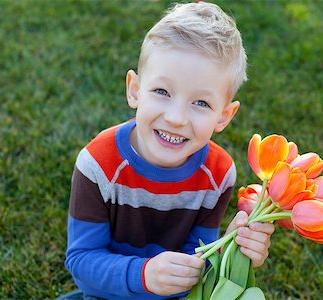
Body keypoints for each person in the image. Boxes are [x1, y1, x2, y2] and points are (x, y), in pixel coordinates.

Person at [64, 2, 275, 299]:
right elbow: (82, 262)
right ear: (135, 89)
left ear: (224, 116)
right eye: (162, 92)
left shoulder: (218, 173)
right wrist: (144, 275)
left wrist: (233, 249)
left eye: (201, 103)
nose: (176, 118)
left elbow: (197, 257)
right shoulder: (98, 163)